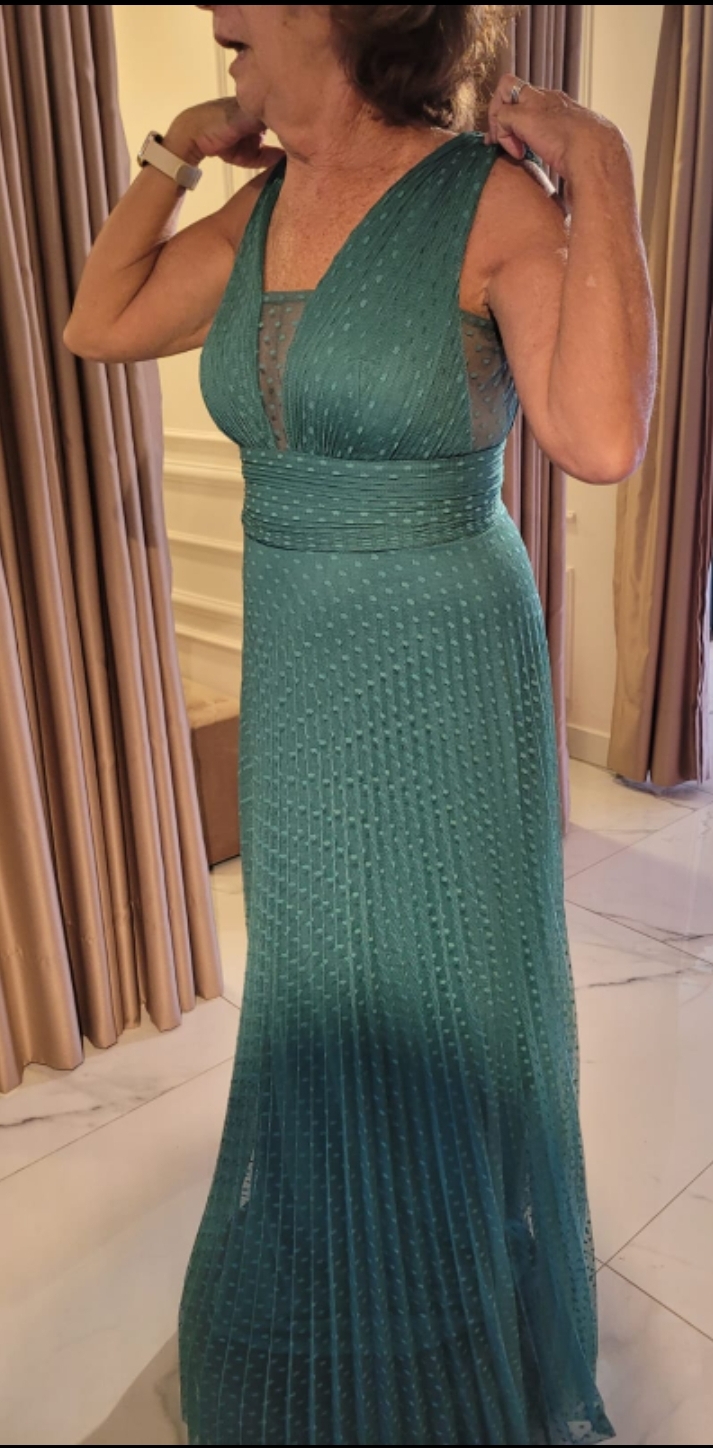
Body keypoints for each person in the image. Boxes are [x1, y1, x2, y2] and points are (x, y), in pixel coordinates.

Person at [65, 6, 655, 1444]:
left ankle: (447, 1304)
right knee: (320, 990)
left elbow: (597, 437)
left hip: (442, 670)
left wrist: (604, 175)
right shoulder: (264, 205)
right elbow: (99, 321)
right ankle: (353, 1268)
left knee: (436, 994)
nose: (216, 17)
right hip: (302, 678)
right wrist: (173, 151)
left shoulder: (487, 202)